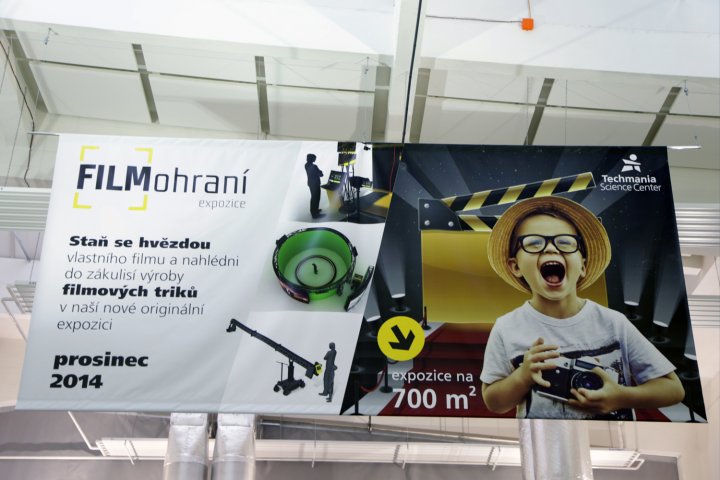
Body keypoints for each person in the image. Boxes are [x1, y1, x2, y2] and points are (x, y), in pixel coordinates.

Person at [480, 196, 684, 419]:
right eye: (534, 243)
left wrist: (622, 396)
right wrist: (522, 376)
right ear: (515, 266)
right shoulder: (507, 327)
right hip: (542, 438)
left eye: (565, 242)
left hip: (614, 437)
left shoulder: (613, 323)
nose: (551, 249)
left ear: (583, 266)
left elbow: (673, 389)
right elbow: (493, 402)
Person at [304, 154, 324, 219]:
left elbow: (317, 173)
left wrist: (319, 172)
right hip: (315, 184)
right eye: (314, 158)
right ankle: (315, 214)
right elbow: (321, 174)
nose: (315, 159)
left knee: (314, 198)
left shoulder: (306, 165)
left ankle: (315, 210)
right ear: (312, 159)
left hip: (311, 183)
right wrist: (320, 172)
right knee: (316, 198)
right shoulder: (314, 166)